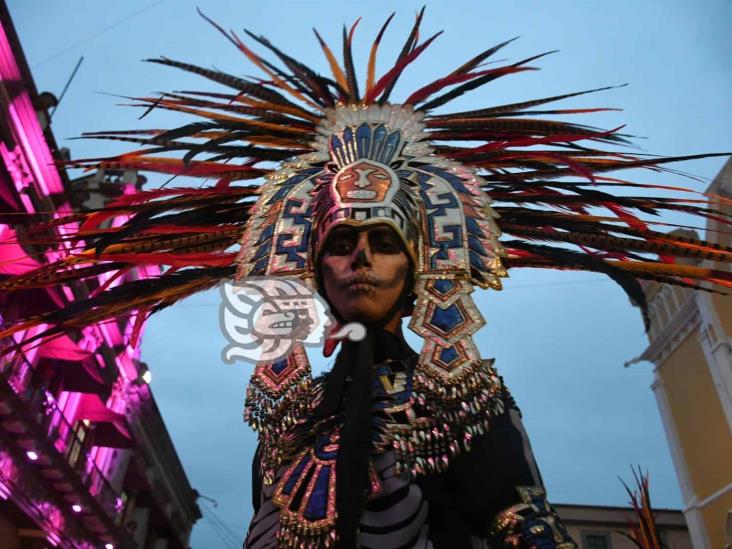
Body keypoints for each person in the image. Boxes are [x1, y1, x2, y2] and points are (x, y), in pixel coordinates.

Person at [1, 8, 730, 549]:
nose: (358, 257)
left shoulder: (466, 403)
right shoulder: (287, 425)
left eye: (383, 240)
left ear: (421, 264)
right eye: (341, 241)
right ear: (311, 265)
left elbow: (519, 520)